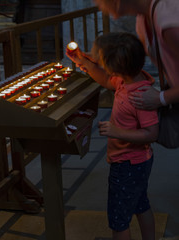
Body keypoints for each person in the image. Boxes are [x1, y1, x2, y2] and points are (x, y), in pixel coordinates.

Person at [66, 32, 159, 240]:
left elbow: (152, 133)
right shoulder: (128, 80)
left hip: (128, 164)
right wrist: (83, 62)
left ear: (115, 68)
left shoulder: (141, 96)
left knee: (119, 221)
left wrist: (118, 132)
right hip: (138, 163)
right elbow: (107, 80)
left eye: (101, 60)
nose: (98, 63)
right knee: (140, 204)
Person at [93, 0, 179, 111]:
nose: (100, 7)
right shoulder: (142, 19)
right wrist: (99, 57)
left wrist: (162, 98)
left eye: (100, 2)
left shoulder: (168, 20)